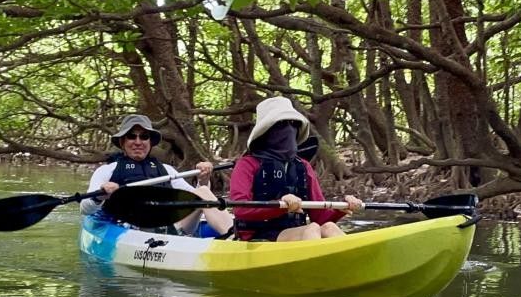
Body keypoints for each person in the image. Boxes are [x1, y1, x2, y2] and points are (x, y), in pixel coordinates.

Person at [229, 97, 361, 241]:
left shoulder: (303, 166)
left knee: (329, 227)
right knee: (312, 228)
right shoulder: (247, 164)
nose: (289, 129)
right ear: (267, 131)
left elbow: (320, 216)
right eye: (281, 124)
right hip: (257, 236)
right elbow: (240, 210)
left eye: (293, 124)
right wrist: (281, 206)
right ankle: (316, 261)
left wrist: (340, 210)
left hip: (295, 233)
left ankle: (354, 258)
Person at [80, 114, 233, 236]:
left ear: (150, 142)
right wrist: (100, 196)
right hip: (133, 232)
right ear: (122, 142)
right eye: (132, 136)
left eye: (144, 136)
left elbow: (196, 198)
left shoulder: (168, 170)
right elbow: (85, 209)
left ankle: (235, 236)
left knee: (203, 192)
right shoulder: (107, 171)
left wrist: (203, 180)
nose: (138, 142)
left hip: (171, 228)